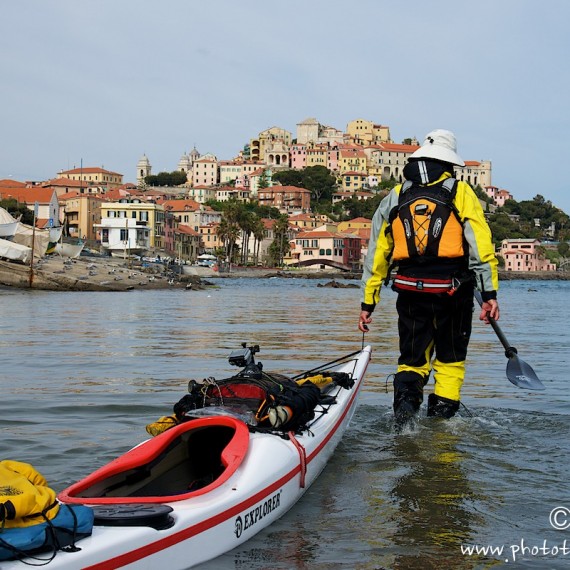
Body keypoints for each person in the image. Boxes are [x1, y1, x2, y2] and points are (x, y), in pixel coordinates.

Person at [358, 129, 499, 428]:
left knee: (411, 359)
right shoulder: (461, 192)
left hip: (409, 292)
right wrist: (489, 295)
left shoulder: (396, 196)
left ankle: (405, 424)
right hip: (453, 293)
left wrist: (367, 302)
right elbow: (480, 246)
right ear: (449, 162)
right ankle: (440, 432)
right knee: (449, 361)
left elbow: (377, 253)